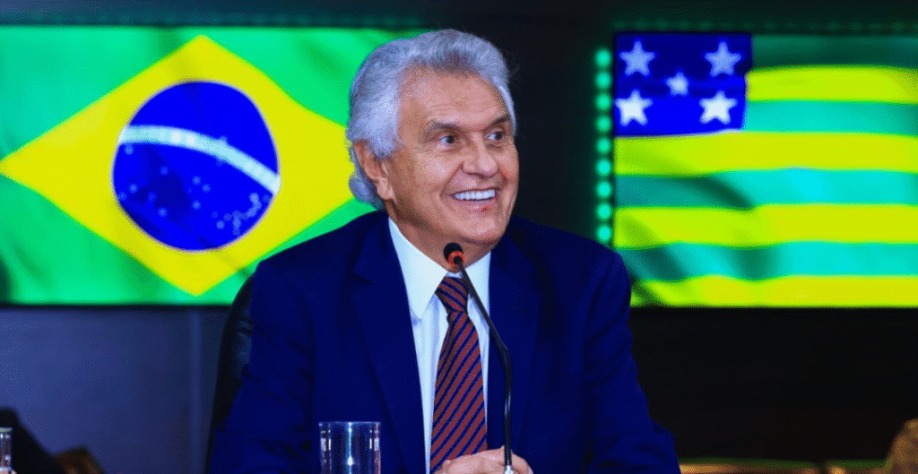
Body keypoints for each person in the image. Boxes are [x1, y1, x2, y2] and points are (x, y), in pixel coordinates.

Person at [210, 29, 678, 473]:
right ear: (376, 165)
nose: (485, 165)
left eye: (497, 136)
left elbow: (638, 461)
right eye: (449, 140)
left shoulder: (580, 284)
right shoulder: (301, 292)